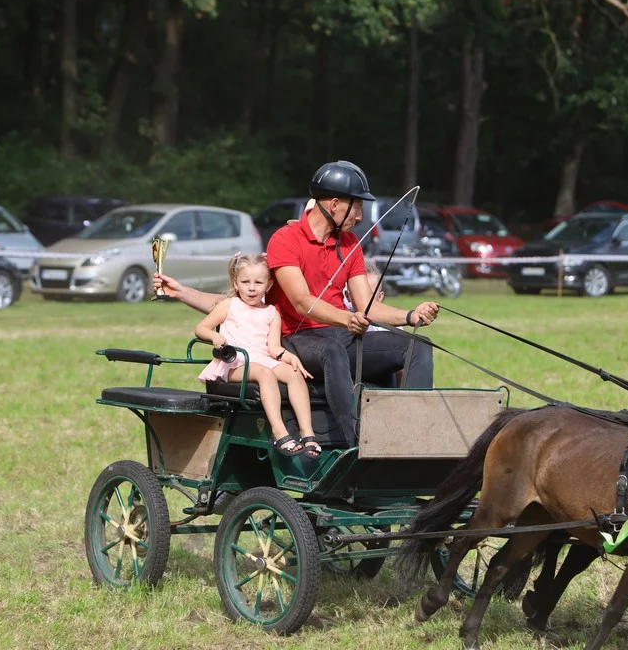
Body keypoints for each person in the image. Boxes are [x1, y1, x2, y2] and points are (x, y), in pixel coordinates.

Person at [155, 160, 438, 447]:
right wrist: (346, 319)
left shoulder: (351, 243)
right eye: (357, 206)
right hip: (296, 338)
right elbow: (302, 303)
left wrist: (411, 315)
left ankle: (408, 438)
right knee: (332, 348)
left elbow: (368, 308)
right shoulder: (285, 240)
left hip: (339, 336)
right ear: (336, 204)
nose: (360, 215)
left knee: (418, 346)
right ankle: (356, 444)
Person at [195, 253, 321, 458]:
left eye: (258, 282)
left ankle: (307, 432)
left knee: (294, 373)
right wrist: (214, 336)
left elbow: (273, 348)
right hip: (235, 362)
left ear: (268, 285)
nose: (251, 288)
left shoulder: (271, 312)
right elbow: (201, 328)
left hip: (261, 357)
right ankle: (279, 430)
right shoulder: (230, 305)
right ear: (236, 283)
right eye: (245, 282)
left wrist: (290, 357)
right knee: (264, 373)